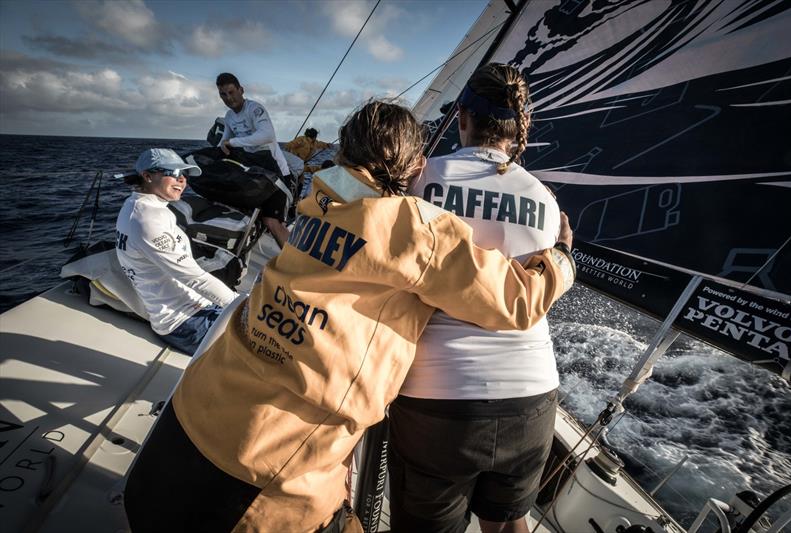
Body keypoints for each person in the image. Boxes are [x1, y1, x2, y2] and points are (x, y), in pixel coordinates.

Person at [123, 100, 575, 533]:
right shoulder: (415, 228)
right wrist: (561, 257)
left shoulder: (316, 202)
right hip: (257, 481)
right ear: (417, 166)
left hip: (176, 440)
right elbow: (515, 301)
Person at [388, 63, 570, 533]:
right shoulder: (545, 200)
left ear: (463, 117)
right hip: (531, 396)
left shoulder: (420, 179)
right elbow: (540, 287)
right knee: (510, 523)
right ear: (516, 129)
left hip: (436, 396)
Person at [115, 148, 237, 354]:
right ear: (147, 176)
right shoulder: (147, 219)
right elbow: (195, 278)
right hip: (186, 323)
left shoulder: (142, 206)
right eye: (173, 173)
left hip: (198, 308)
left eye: (184, 175)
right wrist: (242, 305)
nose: (181, 180)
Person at [216, 72, 292, 246]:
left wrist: (233, 142)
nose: (228, 98)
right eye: (223, 94)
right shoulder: (229, 117)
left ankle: (295, 265)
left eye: (231, 92)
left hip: (277, 174)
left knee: (272, 221)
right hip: (256, 175)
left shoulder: (255, 109)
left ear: (241, 90)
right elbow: (224, 142)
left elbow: (267, 135)